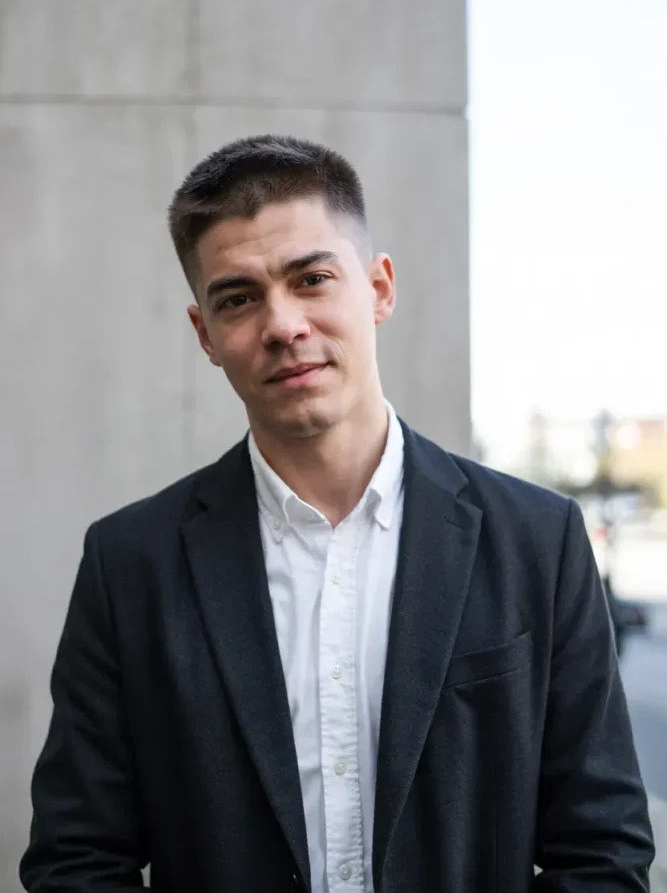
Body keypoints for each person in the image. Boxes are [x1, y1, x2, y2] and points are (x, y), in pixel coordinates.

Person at [21, 135, 654, 893]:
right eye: (238, 298)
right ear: (206, 335)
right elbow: (78, 859)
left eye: (312, 279)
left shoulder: (538, 540)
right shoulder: (129, 564)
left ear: (379, 289)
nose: (283, 324)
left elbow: (603, 851)